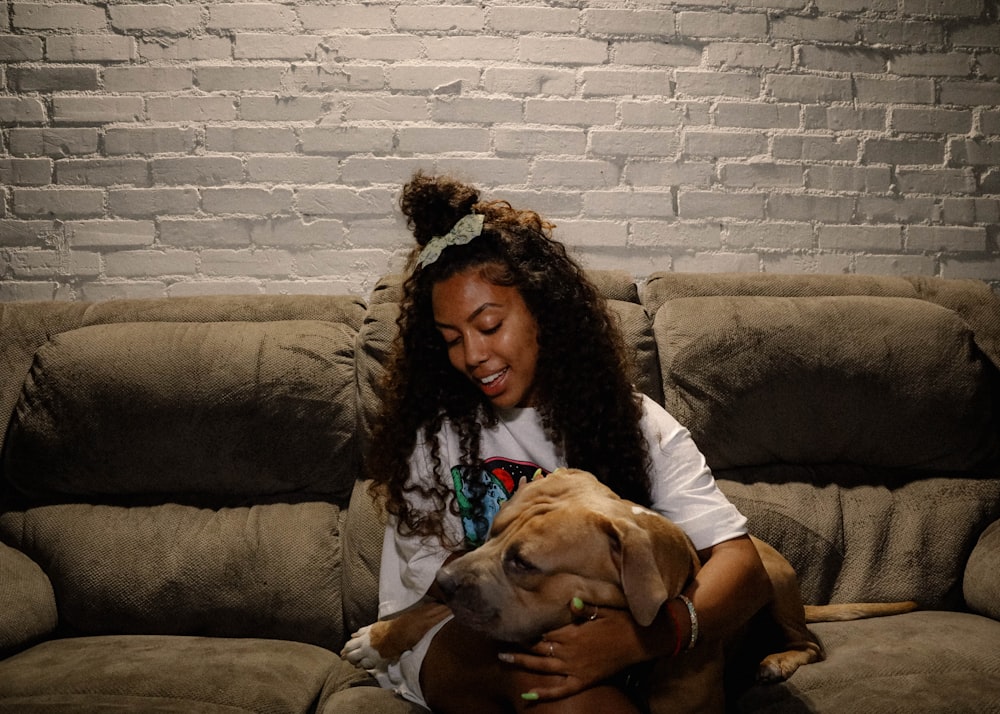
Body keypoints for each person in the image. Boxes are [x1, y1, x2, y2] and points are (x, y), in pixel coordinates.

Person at [365, 171, 771, 713]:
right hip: (445, 629)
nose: (472, 355)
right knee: (554, 683)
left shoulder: (637, 423)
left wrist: (637, 640)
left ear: (545, 312)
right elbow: (446, 589)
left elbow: (741, 568)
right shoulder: (435, 436)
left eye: (489, 325)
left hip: (594, 637)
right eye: (451, 340)